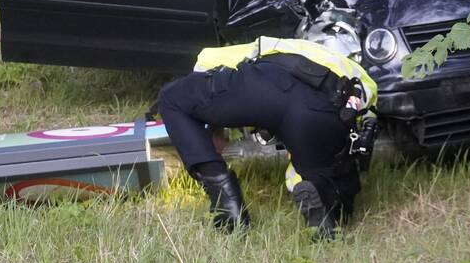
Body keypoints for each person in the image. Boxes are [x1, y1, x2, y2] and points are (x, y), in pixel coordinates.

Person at [156, 35, 378, 239]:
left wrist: (213, 129)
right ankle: (330, 207)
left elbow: (206, 80)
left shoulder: (273, 46)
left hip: (264, 87)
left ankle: (227, 206)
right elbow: (363, 124)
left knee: (171, 99)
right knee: (333, 188)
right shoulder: (356, 73)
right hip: (323, 109)